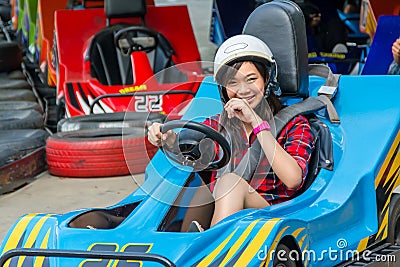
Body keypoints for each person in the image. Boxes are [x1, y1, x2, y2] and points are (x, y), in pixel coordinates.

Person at [148, 34, 315, 231]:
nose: (243, 90)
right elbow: (189, 149)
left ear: (267, 80)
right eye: (233, 83)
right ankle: (184, 246)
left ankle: (212, 249)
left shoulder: (295, 125)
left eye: (251, 79)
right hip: (227, 206)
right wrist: (167, 139)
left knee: (230, 183)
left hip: (275, 214)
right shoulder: (218, 125)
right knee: (195, 184)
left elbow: (293, 180)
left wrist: (256, 123)